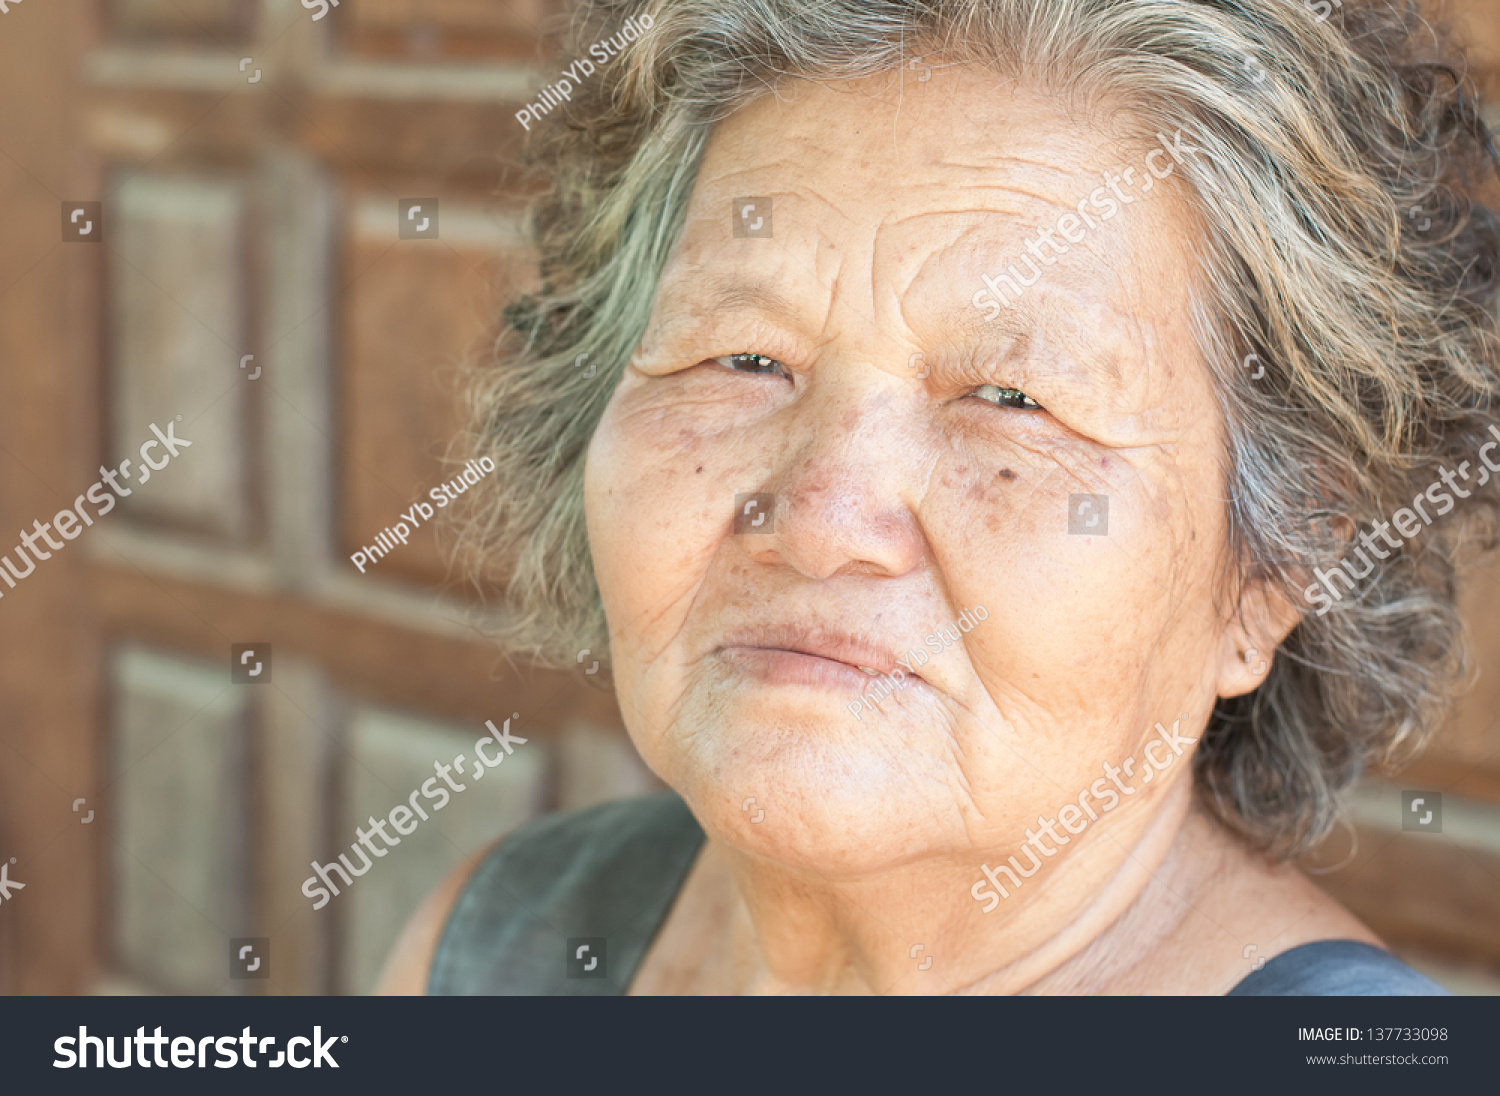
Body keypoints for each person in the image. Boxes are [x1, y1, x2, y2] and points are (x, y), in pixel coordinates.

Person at [381, 0, 1497, 995]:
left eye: (1013, 398)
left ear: (1272, 570)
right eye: (740, 358)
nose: (820, 520)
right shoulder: (499, 942)